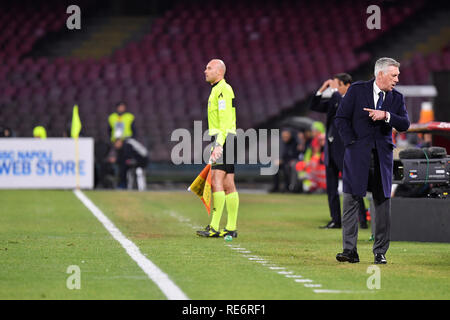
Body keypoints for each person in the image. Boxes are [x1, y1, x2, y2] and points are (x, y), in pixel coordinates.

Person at [335, 57, 410, 264]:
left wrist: (386, 115)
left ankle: (380, 252)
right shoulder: (357, 90)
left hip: (382, 157)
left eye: (397, 75)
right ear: (380, 74)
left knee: (382, 202)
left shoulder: (397, 98)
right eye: (394, 75)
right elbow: (341, 118)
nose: (397, 79)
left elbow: (404, 123)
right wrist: (351, 142)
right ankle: (349, 251)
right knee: (351, 200)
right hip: (357, 154)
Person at [310, 74, 368, 229]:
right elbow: (315, 106)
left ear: (346, 85)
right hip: (331, 151)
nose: (334, 87)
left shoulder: (355, 98)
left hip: (346, 151)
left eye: (337, 84)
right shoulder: (334, 99)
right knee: (331, 188)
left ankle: (362, 219)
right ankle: (336, 219)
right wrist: (322, 89)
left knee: (354, 186)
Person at [196, 59, 239, 238]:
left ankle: (214, 226)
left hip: (224, 136)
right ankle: (230, 227)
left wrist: (219, 143)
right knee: (228, 183)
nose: (205, 71)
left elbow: (225, 119)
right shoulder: (218, 89)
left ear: (219, 72)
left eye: (209, 68)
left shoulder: (222, 90)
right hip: (228, 136)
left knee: (216, 180)